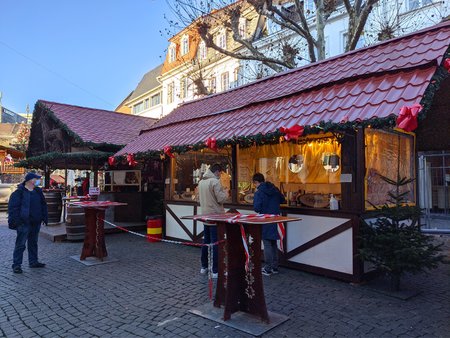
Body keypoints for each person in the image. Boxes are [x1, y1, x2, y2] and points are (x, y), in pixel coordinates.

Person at [8, 172, 48, 274]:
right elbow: (13, 209)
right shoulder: (19, 193)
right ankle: (16, 265)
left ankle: (33, 262)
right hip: (24, 223)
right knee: (20, 245)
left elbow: (43, 204)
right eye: (37, 178)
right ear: (30, 180)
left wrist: (44, 217)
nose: (38, 180)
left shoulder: (38, 191)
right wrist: (17, 222)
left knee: (33, 243)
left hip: (36, 222)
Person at [198, 163, 229, 278]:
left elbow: (198, 199)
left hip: (205, 216)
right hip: (216, 217)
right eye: (220, 173)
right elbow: (221, 198)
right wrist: (226, 193)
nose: (220, 175)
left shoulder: (201, 182)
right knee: (217, 244)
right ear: (217, 172)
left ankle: (204, 267)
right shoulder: (214, 181)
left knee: (206, 242)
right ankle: (216, 270)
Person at [252, 173, 286, 276]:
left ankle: (267, 268)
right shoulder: (274, 189)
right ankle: (275, 267)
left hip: (265, 219)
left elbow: (257, 208)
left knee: (267, 243)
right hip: (276, 218)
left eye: (254, 184)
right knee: (273, 243)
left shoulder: (259, 193)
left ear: (256, 182)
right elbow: (282, 200)